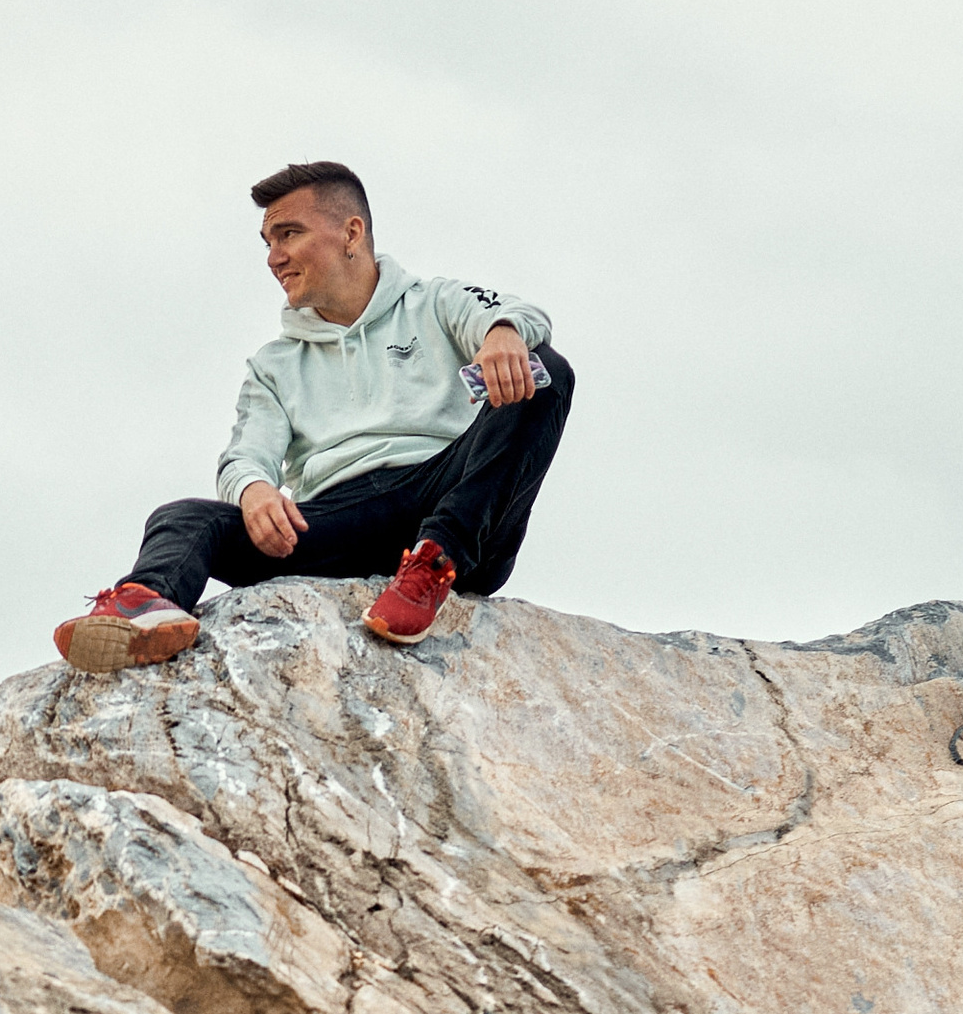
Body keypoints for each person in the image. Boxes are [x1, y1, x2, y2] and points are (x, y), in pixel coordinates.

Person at [54, 162, 574, 668]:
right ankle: (143, 610)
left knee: (545, 370)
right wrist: (255, 491)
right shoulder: (274, 366)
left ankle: (432, 564)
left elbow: (519, 312)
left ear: (351, 232)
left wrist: (502, 331)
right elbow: (243, 458)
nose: (273, 257)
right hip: (339, 524)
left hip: (452, 497)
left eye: (289, 234)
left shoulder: (431, 302)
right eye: (268, 242)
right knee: (181, 519)